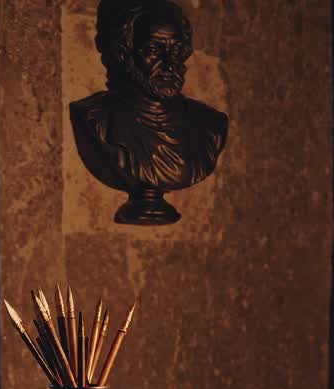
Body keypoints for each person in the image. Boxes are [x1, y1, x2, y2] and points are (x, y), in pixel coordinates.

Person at [70, 0, 229, 224]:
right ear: (123, 54)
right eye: (154, 50)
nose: (169, 64)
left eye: (176, 50)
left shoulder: (211, 126)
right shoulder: (93, 118)